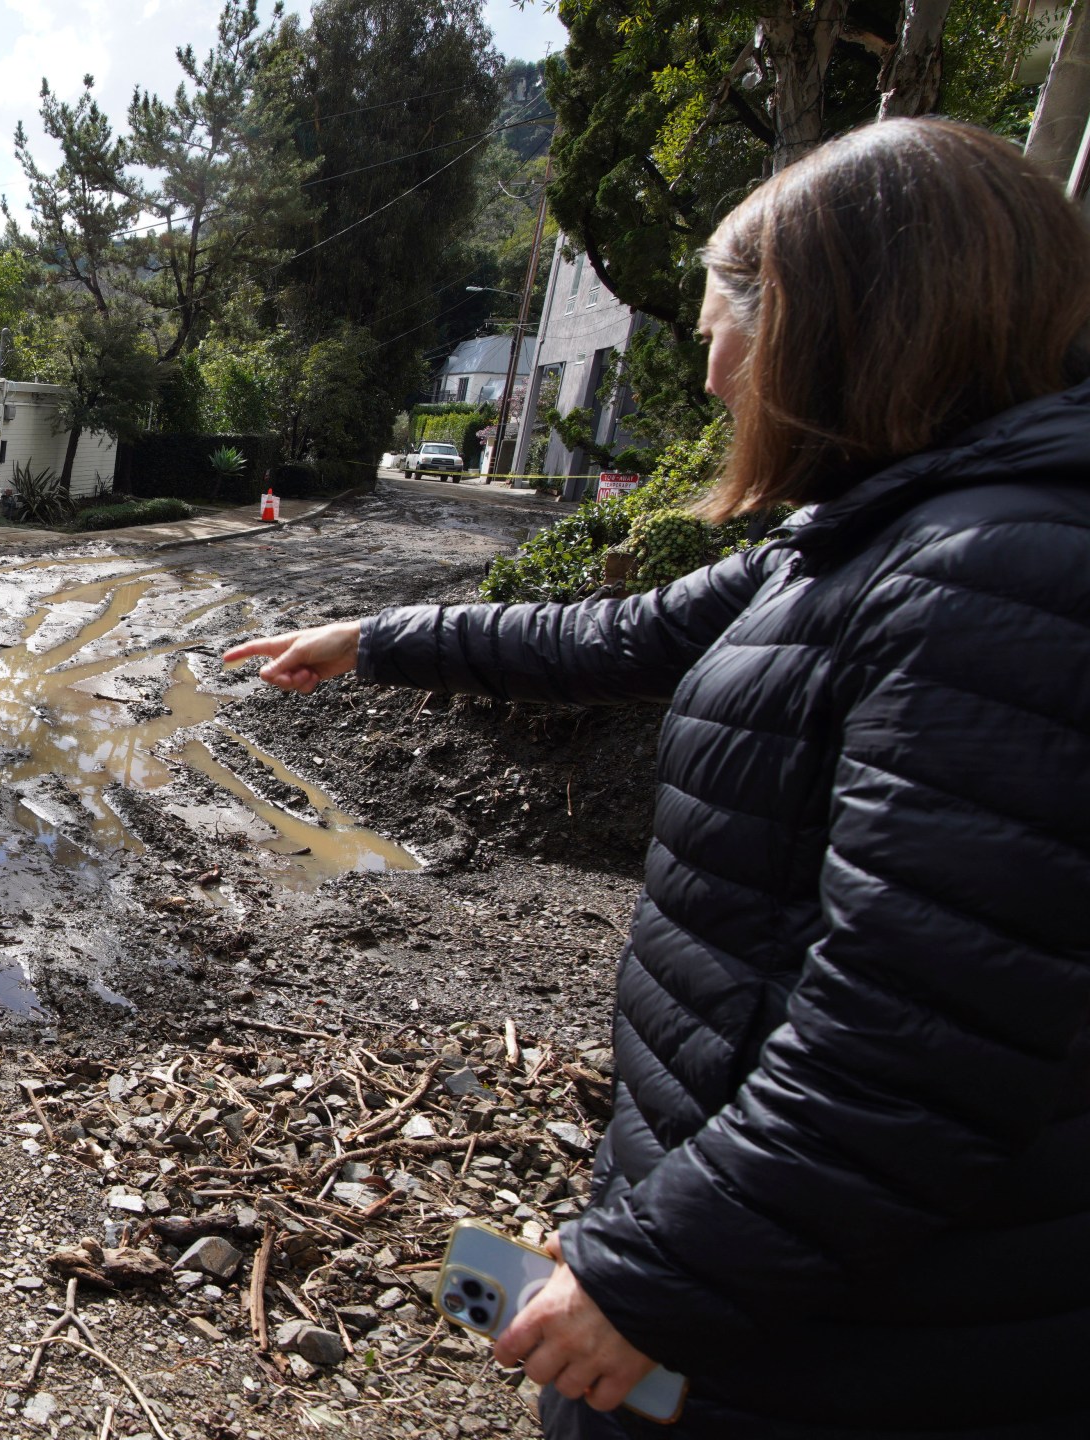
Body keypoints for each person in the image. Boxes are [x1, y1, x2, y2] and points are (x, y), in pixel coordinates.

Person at [225, 117, 1090, 1438]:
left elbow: (913, 1048)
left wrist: (657, 1278)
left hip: (849, 1332)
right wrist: (374, 637)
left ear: (847, 321)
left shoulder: (993, 577)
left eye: (727, 328)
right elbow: (623, 633)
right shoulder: (872, 534)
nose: (715, 373)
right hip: (783, 1268)